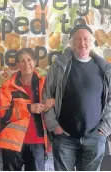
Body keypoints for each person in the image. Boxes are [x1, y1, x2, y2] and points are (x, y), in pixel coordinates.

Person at [43, 24, 111, 171]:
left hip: (95, 137)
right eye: (78, 39)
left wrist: (104, 130)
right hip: (64, 137)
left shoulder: (104, 69)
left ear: (92, 42)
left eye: (86, 39)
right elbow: (46, 96)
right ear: (72, 43)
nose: (82, 43)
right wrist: (55, 127)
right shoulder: (59, 66)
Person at [0, 49, 54, 171]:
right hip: (12, 142)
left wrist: (53, 101)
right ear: (17, 65)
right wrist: (28, 108)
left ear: (34, 62)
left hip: (37, 141)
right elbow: (4, 113)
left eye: (29, 60)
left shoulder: (45, 83)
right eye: (22, 61)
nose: (26, 63)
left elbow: (60, 99)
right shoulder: (8, 85)